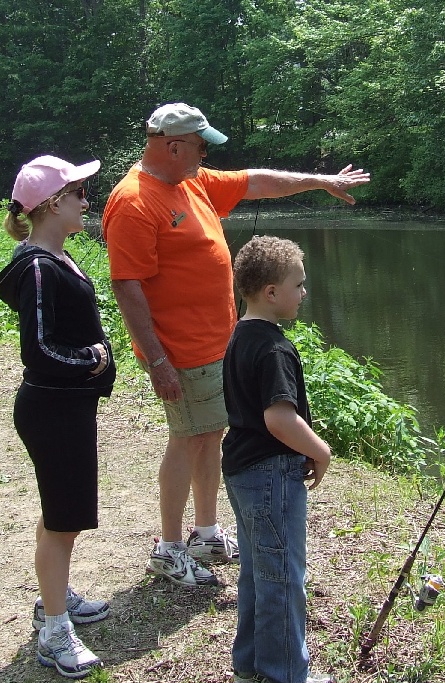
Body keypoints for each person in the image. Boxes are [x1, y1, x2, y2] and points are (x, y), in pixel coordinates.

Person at [102, 102, 369, 587]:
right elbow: (128, 285)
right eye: (201, 146)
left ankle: (204, 531)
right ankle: (167, 547)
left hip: (215, 346)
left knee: (210, 435)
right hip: (179, 351)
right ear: (174, 145)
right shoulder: (135, 201)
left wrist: (319, 181)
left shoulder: (192, 182)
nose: (206, 154)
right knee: (188, 439)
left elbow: (257, 181)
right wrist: (159, 360)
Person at [0, 156, 116, 678]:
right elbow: (40, 350)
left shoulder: (57, 258)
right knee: (65, 517)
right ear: (50, 204)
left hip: (66, 407)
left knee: (61, 511)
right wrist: (93, 358)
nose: (85, 203)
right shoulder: (40, 268)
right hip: (52, 409)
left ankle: (56, 595)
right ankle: (53, 631)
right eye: (77, 195)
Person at [223, 236, 333, 683]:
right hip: (271, 476)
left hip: (242, 473)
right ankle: (283, 677)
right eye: (298, 285)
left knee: (256, 571)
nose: (303, 293)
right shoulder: (273, 349)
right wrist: (320, 450)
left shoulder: (240, 336)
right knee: (282, 576)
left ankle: (248, 666)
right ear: (271, 292)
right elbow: (278, 417)